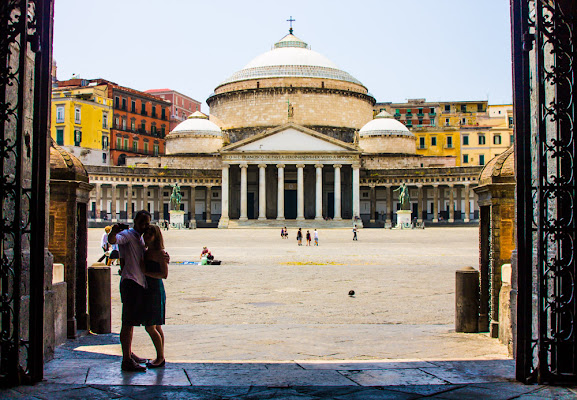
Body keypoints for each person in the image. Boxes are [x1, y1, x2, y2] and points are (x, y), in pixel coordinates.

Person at [108, 210, 153, 372]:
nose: (145, 226)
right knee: (127, 323)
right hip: (130, 283)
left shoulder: (141, 238)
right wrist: (114, 232)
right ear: (135, 221)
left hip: (137, 283)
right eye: (142, 222)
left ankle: (129, 354)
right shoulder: (128, 235)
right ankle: (126, 360)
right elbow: (113, 240)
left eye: (147, 223)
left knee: (131, 322)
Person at [141, 225, 168, 369]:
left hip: (155, 289)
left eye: (150, 234)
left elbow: (164, 274)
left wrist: (145, 273)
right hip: (147, 289)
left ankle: (160, 357)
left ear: (156, 236)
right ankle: (160, 356)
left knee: (150, 326)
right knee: (156, 325)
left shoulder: (159, 253)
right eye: (146, 233)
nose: (147, 236)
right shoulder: (146, 251)